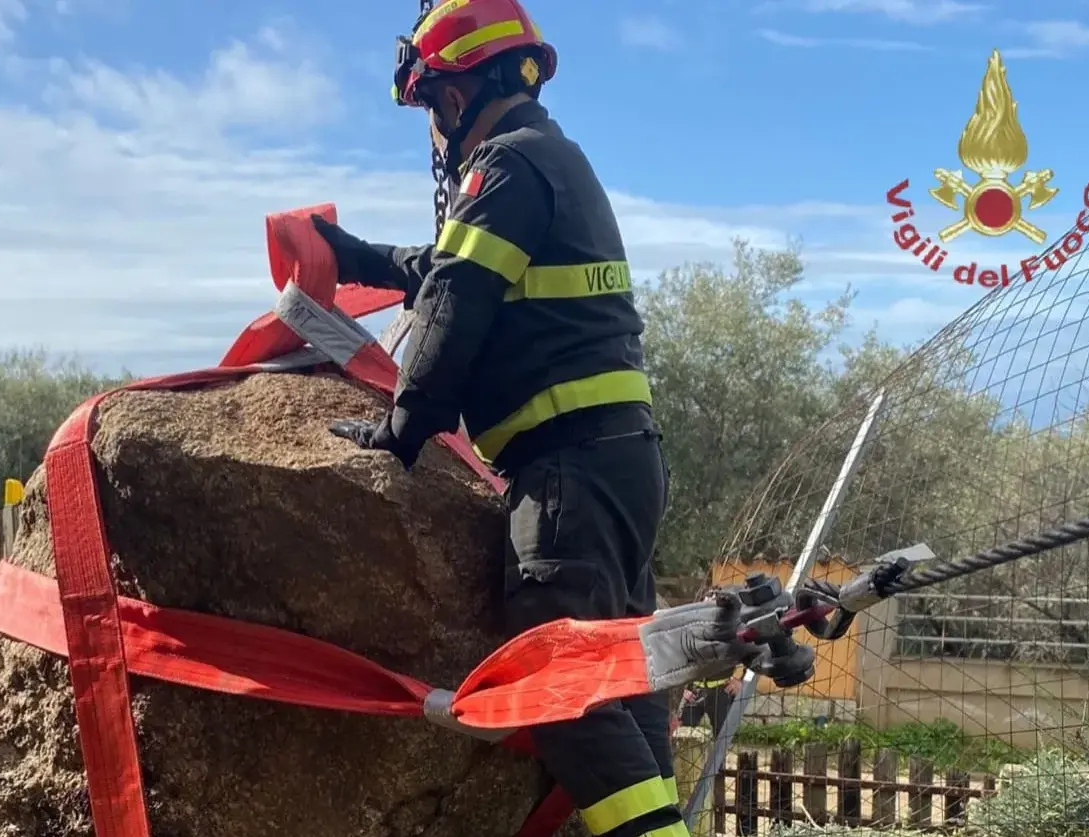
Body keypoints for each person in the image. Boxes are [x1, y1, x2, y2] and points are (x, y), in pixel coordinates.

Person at [313, 2, 816, 834]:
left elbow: (455, 298)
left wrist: (403, 430)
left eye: (433, 105)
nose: (436, 131)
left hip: (567, 474)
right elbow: (451, 267)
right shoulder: (545, 164)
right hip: (613, 466)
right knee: (621, 671)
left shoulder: (506, 169)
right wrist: (353, 256)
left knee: (557, 682)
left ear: (458, 93)